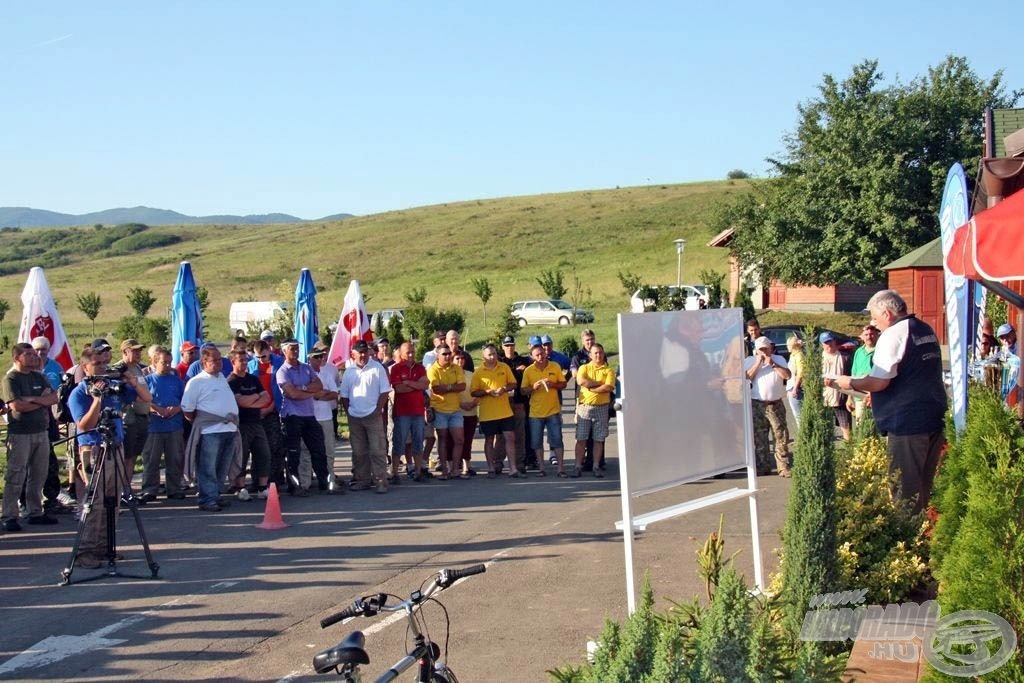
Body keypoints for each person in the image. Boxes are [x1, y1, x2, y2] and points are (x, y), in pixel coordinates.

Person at [832, 289, 947, 512]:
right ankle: (921, 536)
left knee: (904, 493)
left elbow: (879, 382)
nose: (873, 324)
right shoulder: (924, 329)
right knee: (923, 488)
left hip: (907, 424)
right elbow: (912, 374)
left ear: (887, 313)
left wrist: (850, 382)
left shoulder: (893, 335)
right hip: (933, 417)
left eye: (874, 317)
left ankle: (908, 540)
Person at [67, 347, 149, 565]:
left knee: (113, 501)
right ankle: (85, 551)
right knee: (95, 502)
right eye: (97, 364)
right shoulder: (79, 393)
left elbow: (146, 397)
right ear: (85, 368)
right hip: (94, 449)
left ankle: (105, 547)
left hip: (115, 446)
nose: (102, 368)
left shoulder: (114, 388)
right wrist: (96, 400)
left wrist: (131, 380)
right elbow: (85, 425)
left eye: (104, 364)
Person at [2, 343, 60, 531]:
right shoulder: (11, 379)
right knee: (16, 474)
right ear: (17, 358)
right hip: (20, 433)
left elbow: (53, 398)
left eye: (35, 354)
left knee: (39, 473)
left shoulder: (39, 376)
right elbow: (17, 406)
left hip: (41, 432)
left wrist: (31, 399)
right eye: (28, 354)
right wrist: (40, 401)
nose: (34, 357)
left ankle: (35, 511)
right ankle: (10, 514)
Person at [181, 345, 241, 512]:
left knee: (222, 466)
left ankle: (215, 495)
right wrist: (203, 421)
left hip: (228, 429)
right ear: (203, 362)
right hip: (210, 431)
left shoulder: (222, 377)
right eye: (214, 360)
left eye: (219, 359)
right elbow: (187, 409)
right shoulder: (196, 382)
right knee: (207, 467)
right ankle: (206, 499)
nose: (218, 363)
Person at [277, 338, 330, 495]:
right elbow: (292, 394)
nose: (295, 351)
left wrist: (303, 388)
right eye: (292, 348)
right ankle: (294, 486)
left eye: (297, 348)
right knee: (294, 453)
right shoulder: (282, 372)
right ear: (284, 351)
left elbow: (319, 386)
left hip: (309, 415)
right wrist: (308, 391)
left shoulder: (307, 368)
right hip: (292, 416)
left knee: (319, 450)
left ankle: (325, 483)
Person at [340, 340, 392, 493]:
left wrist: (378, 410)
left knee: (377, 450)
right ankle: (362, 480)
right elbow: (344, 395)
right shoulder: (349, 371)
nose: (363, 355)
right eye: (359, 352)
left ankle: (380, 481)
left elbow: (384, 391)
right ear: (353, 354)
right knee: (359, 452)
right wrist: (349, 411)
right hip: (355, 417)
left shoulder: (378, 368)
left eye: (365, 352)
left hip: (372, 415)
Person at [139, 347, 186, 502]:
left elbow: (185, 400)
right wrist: (157, 408)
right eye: (163, 362)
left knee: (174, 458)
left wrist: (176, 408)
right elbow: (143, 400)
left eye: (169, 362)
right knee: (151, 460)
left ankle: (174, 488)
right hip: (154, 426)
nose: (167, 365)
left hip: (174, 425)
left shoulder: (176, 380)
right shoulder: (148, 380)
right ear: (154, 362)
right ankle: (149, 489)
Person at [30, 336, 69, 515]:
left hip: (50, 418)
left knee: (50, 461)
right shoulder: (26, 374)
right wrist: (41, 399)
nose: (39, 354)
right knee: (30, 465)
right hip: (30, 425)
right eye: (36, 350)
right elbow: (21, 401)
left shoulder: (54, 367)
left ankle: (52, 498)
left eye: (43, 350)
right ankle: (27, 502)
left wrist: (43, 399)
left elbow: (56, 394)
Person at [227, 349, 273, 499]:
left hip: (256, 422)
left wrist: (251, 401)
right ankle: (240, 487)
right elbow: (240, 402)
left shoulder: (253, 379)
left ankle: (262, 487)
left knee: (264, 454)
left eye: (246, 360)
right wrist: (255, 397)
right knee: (241, 456)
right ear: (233, 362)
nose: (245, 363)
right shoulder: (231, 381)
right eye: (241, 360)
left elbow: (266, 398)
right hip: (241, 424)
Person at [743, 336, 791, 477]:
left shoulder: (779, 359)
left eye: (766, 348)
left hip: (775, 403)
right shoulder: (750, 361)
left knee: (780, 435)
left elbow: (787, 376)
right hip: (758, 404)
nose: (763, 351)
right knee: (759, 437)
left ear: (770, 348)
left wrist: (773, 364)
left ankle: (783, 466)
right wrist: (758, 363)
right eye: (760, 349)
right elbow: (746, 378)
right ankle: (762, 466)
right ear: (756, 350)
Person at [471, 344, 519, 477]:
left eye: (494, 354)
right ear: (483, 357)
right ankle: (491, 468)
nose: (493, 357)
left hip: (505, 411)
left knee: (510, 437)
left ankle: (513, 468)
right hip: (488, 413)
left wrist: (504, 389)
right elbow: (474, 392)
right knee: (489, 440)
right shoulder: (479, 372)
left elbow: (513, 383)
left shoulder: (504, 367)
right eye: (489, 355)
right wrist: (487, 392)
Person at [521, 341, 567, 477]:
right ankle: (541, 468)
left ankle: (560, 468)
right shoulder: (529, 371)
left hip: (553, 410)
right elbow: (523, 390)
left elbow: (563, 384)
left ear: (545, 353)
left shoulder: (555, 366)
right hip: (536, 412)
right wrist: (532, 387)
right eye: (537, 355)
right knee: (536, 442)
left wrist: (553, 384)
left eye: (542, 353)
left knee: (557, 440)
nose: (540, 356)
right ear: (532, 357)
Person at [110, 338, 151, 487]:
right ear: (125, 352)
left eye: (140, 350)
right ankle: (121, 489)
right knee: (126, 456)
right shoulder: (119, 369)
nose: (139, 353)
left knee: (133, 456)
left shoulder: (137, 368)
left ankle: (127, 489)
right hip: (129, 418)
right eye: (135, 350)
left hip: (142, 416)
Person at [572, 343, 615, 478]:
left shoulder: (608, 370)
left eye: (600, 353)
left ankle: (596, 466)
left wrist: (591, 387)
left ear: (603, 354)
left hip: (602, 408)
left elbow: (608, 387)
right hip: (584, 408)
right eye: (595, 353)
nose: (598, 355)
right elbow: (581, 381)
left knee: (598, 439)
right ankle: (578, 466)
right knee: (581, 438)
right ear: (590, 355)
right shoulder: (584, 368)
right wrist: (599, 384)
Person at [248, 339, 286, 488]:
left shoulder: (279, 364)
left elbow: (281, 389)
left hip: (274, 409)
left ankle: (275, 478)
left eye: (263, 356)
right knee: (257, 446)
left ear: (269, 351)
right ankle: (257, 479)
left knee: (275, 445)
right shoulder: (251, 367)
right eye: (257, 357)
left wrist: (271, 407)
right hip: (256, 411)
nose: (261, 360)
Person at [389, 341, 429, 481]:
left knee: (418, 442)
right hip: (402, 412)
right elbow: (399, 389)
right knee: (399, 442)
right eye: (408, 352)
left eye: (412, 351)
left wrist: (410, 383)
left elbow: (425, 384)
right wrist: (417, 385)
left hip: (418, 411)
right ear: (401, 353)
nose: (411, 354)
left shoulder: (420, 368)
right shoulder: (395, 369)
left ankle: (418, 472)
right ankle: (394, 472)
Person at [305, 344, 343, 493]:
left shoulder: (326, 374)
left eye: (322, 356)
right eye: (317, 357)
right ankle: (304, 483)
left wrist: (320, 394)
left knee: (328, 450)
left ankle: (330, 480)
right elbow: (307, 393)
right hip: (309, 416)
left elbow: (334, 394)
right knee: (307, 451)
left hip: (326, 416)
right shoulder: (305, 374)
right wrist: (320, 393)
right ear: (310, 359)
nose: (320, 359)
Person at [426, 343, 466, 480]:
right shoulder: (433, 369)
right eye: (444, 354)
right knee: (442, 439)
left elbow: (462, 386)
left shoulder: (456, 368)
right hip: (439, 409)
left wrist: (447, 387)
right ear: (437, 355)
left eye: (449, 354)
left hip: (455, 410)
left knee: (459, 440)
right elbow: (436, 389)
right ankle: (444, 470)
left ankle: (455, 469)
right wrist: (452, 387)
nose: (448, 356)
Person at [570, 329, 598, 471]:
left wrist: (590, 381)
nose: (590, 342)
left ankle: (594, 462)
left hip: (598, 399)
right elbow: (576, 376)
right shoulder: (577, 356)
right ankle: (579, 463)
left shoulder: (599, 353)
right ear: (582, 341)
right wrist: (594, 381)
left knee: (597, 434)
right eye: (587, 340)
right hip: (581, 397)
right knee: (581, 432)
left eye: (592, 339)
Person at [819, 331, 851, 441]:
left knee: (846, 427)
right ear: (822, 345)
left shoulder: (845, 357)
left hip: (840, 398)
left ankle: (848, 448)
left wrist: (850, 397)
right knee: (823, 427)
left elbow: (850, 377)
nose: (829, 344)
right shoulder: (817, 359)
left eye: (830, 341)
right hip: (823, 399)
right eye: (826, 343)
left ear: (834, 341)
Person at [452, 351, 479, 477]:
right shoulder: (450, 374)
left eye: (462, 358)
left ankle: (466, 465)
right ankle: (452, 466)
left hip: (472, 411)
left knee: (468, 440)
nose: (460, 361)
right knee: (456, 440)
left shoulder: (471, 375)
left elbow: (478, 390)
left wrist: (474, 403)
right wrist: (461, 405)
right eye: (457, 358)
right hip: (456, 411)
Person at [847, 324, 878, 426]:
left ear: (877, 335)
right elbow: (853, 374)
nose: (869, 337)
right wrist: (850, 398)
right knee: (861, 426)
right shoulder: (858, 352)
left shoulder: (881, 350)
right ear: (862, 337)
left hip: (876, 395)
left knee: (877, 426)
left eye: (872, 334)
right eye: (866, 334)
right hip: (859, 395)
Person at [785, 336, 805, 427]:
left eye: (788, 345)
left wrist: (795, 388)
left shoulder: (799, 355)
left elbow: (800, 373)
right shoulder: (792, 355)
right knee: (796, 413)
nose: (787, 347)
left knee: (799, 415)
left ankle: (803, 434)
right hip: (791, 386)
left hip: (795, 387)